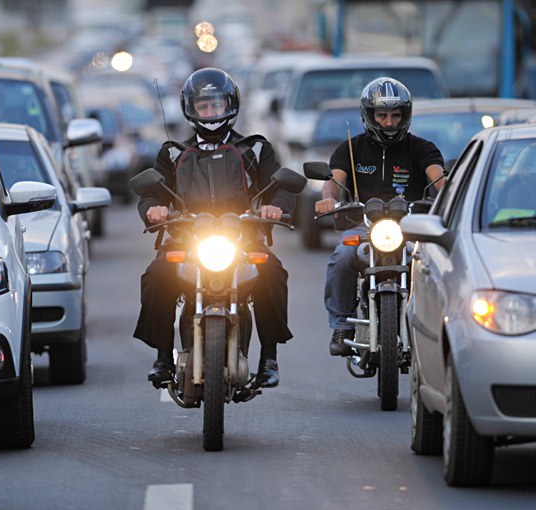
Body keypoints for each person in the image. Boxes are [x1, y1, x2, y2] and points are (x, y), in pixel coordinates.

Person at [133, 67, 295, 389]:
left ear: (230, 105)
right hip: (186, 237)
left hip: (244, 238)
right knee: (156, 275)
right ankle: (164, 356)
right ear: (191, 109)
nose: (210, 112)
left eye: (216, 105)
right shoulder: (173, 152)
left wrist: (278, 207)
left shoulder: (256, 148)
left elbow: (281, 187)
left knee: (273, 272)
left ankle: (269, 357)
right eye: (203, 106)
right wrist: (154, 209)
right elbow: (152, 191)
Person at [314, 77, 445, 356]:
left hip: (410, 227)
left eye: (396, 115)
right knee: (342, 256)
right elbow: (334, 182)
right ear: (369, 114)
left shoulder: (422, 148)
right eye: (382, 115)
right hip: (363, 225)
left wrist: (450, 197)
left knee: (431, 266)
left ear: (405, 116)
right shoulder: (350, 148)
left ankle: (433, 327)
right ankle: (342, 324)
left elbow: (439, 181)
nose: (388, 122)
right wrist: (327, 199)